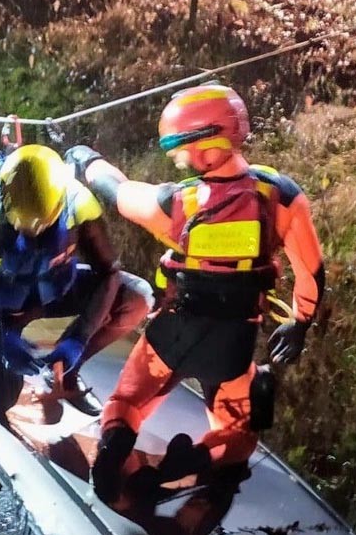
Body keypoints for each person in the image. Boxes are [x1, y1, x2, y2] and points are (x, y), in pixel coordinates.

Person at [65, 83, 327, 503]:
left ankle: (112, 456)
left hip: (173, 332)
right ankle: (192, 463)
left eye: (182, 149)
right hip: (233, 343)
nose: (179, 159)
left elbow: (120, 193)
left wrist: (86, 161)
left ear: (208, 145)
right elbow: (310, 269)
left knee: (127, 401)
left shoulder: (178, 202)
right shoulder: (281, 197)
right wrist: (300, 322)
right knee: (237, 434)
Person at [0, 143, 152, 421]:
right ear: (4, 200)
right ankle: (4, 355)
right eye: (23, 225)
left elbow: (109, 273)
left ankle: (66, 371)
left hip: (51, 292)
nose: (33, 232)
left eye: (42, 225)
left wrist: (78, 338)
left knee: (137, 298)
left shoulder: (79, 203)